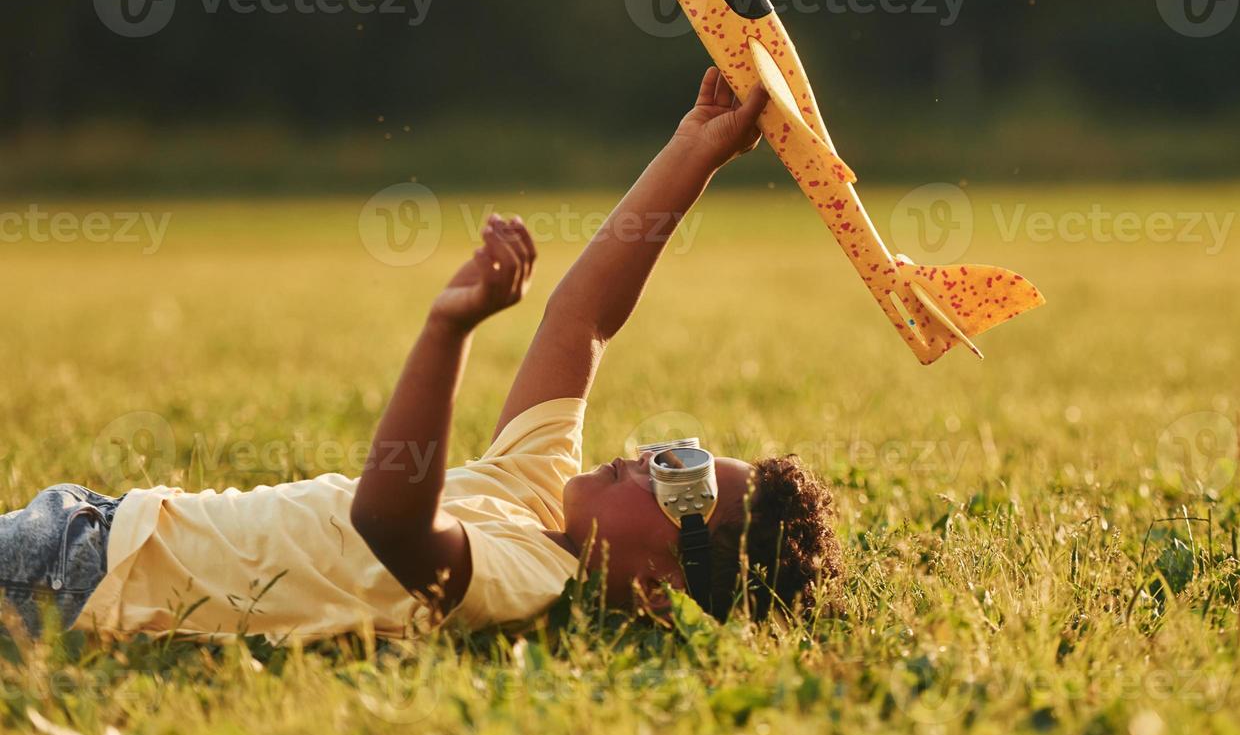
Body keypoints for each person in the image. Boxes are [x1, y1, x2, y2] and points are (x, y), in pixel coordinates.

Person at [0, 68, 843, 641]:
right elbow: (581, 319)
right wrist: (697, 146)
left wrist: (448, 333)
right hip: (98, 522)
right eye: (678, 452)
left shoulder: (530, 581)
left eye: (683, 479)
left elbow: (392, 522)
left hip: (80, 587)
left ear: (665, 584)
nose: (651, 456)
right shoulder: (539, 493)